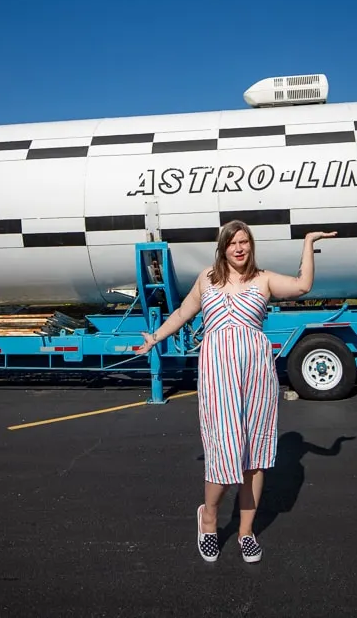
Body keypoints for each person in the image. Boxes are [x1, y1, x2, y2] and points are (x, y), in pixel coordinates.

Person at [134, 220, 337, 563]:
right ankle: (209, 520)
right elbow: (184, 313)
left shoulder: (264, 279)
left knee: (255, 459)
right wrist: (155, 338)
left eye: (244, 242)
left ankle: (245, 532)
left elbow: (303, 286)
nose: (239, 248)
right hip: (218, 377)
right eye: (233, 243)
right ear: (223, 247)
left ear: (250, 245)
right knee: (224, 452)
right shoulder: (207, 279)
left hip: (256, 376)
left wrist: (308, 242)